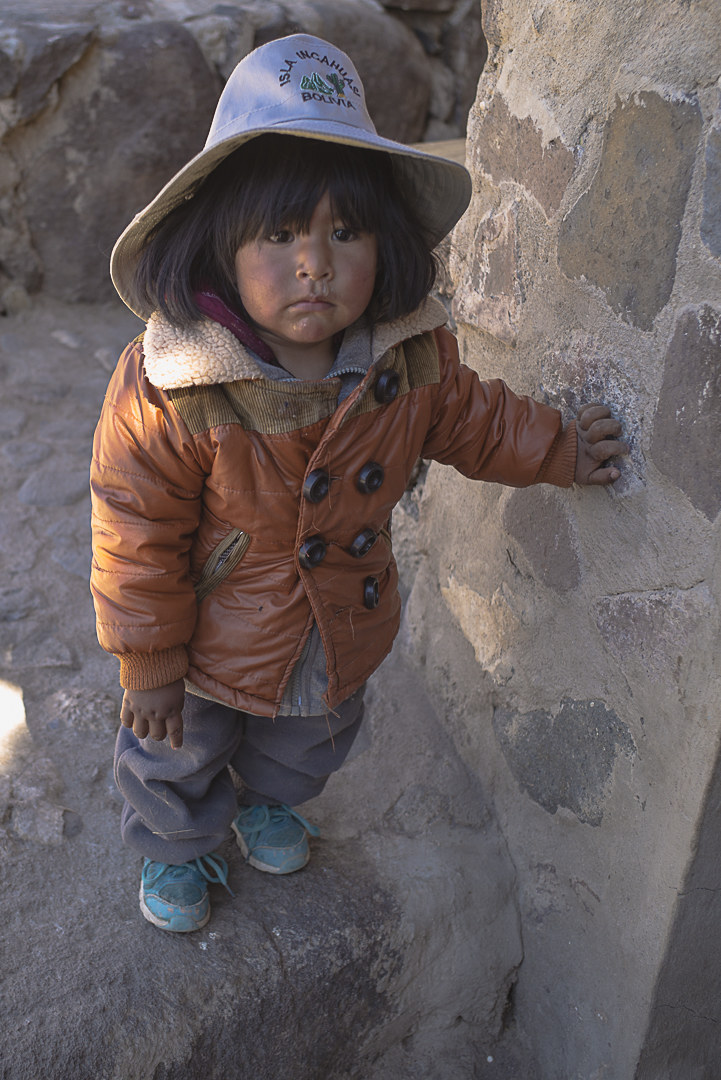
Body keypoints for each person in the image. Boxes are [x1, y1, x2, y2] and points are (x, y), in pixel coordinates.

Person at [90, 34, 627, 933]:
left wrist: (558, 449)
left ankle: (268, 803)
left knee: (310, 738)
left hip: (337, 615)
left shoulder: (405, 357)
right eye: (280, 235)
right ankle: (175, 845)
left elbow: (475, 419)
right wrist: (147, 659)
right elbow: (131, 526)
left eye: (345, 232)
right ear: (218, 245)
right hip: (211, 632)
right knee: (176, 747)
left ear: (385, 244)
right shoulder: (175, 382)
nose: (315, 262)